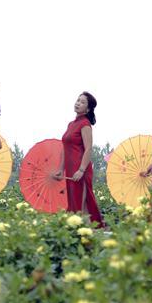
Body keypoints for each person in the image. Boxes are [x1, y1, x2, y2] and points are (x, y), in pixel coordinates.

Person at [55, 92, 104, 225]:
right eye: (78, 100)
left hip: (80, 169)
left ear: (88, 109)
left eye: (82, 102)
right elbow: (65, 148)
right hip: (70, 170)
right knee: (73, 202)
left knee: (81, 204)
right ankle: (80, 232)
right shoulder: (71, 124)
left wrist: (81, 170)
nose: (78, 103)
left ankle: (88, 233)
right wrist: (60, 169)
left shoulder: (85, 124)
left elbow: (89, 148)